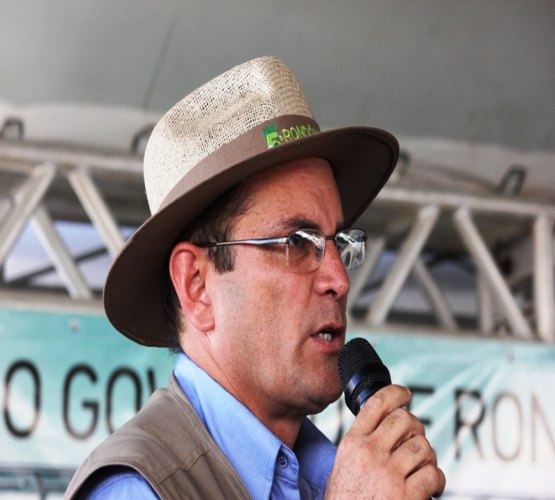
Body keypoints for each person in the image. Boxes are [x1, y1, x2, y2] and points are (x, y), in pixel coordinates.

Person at [65, 56, 445, 499]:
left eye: (337, 241)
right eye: (297, 242)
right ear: (196, 286)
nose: (339, 278)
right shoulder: (137, 490)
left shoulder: (333, 479)